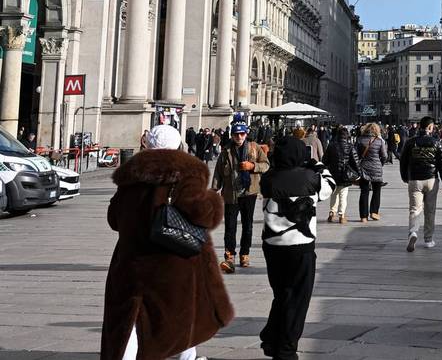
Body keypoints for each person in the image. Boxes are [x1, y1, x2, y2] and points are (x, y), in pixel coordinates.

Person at [102, 125, 234, 360]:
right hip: (173, 260)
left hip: (131, 260)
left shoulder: (130, 178)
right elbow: (205, 216)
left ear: (147, 145)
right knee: (179, 313)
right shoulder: (187, 175)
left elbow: (114, 220)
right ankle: (187, 358)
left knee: (131, 317)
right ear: (178, 145)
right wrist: (213, 199)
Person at [259, 136, 335, 360]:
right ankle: (286, 349)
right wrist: (318, 165)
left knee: (281, 293)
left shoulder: (268, 179)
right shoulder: (310, 178)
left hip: (272, 246)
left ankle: (272, 337)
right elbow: (329, 185)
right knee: (298, 298)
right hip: (300, 246)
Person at [213, 118, 270, 273]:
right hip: (231, 193)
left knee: (247, 225)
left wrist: (253, 166)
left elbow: (266, 165)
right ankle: (229, 255)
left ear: (246, 134)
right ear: (232, 135)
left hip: (249, 192)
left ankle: (245, 254)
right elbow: (218, 173)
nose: (239, 137)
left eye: (242, 134)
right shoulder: (226, 151)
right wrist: (214, 190)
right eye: (236, 134)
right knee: (230, 226)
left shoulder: (254, 148)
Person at [401, 116, 442, 250]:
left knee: (414, 209)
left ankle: (413, 232)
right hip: (431, 180)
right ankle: (428, 239)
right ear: (429, 127)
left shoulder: (410, 142)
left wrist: (405, 177)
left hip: (415, 180)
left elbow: (403, 161)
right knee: (430, 210)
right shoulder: (436, 142)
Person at [324, 126, 362, 224]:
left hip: (333, 173)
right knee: (343, 195)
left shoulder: (331, 146)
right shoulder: (350, 146)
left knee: (334, 193)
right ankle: (342, 215)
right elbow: (356, 161)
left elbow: (325, 160)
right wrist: (359, 173)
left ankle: (332, 213)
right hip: (345, 174)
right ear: (347, 136)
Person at [356, 122, 388, 222]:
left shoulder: (360, 140)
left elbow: (356, 155)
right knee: (377, 191)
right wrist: (380, 164)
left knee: (364, 192)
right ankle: (374, 212)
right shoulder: (379, 141)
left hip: (364, 168)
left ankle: (363, 216)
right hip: (376, 168)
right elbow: (384, 156)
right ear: (376, 130)